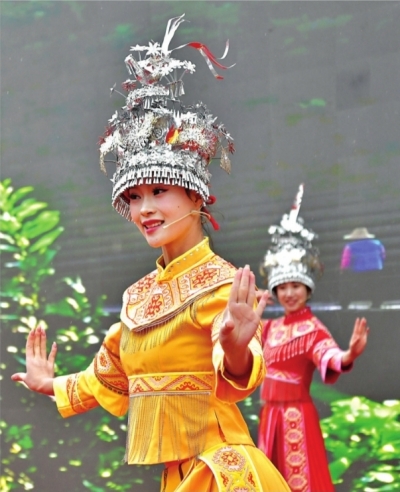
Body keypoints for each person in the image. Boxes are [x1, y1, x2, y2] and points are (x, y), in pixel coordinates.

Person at [12, 15, 289, 492]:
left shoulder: (221, 285)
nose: (145, 210)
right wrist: (48, 384)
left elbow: (237, 369)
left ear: (195, 195)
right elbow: (110, 376)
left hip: (221, 472)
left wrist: (236, 346)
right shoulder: (137, 298)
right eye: (135, 197)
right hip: (176, 475)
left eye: (159, 191)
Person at [257, 184, 369, 492]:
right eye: (283, 287)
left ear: (307, 289)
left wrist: (348, 356)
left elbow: (327, 353)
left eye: (296, 286)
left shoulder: (312, 328)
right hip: (269, 416)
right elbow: (237, 346)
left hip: (295, 417)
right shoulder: (269, 327)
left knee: (301, 483)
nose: (289, 293)